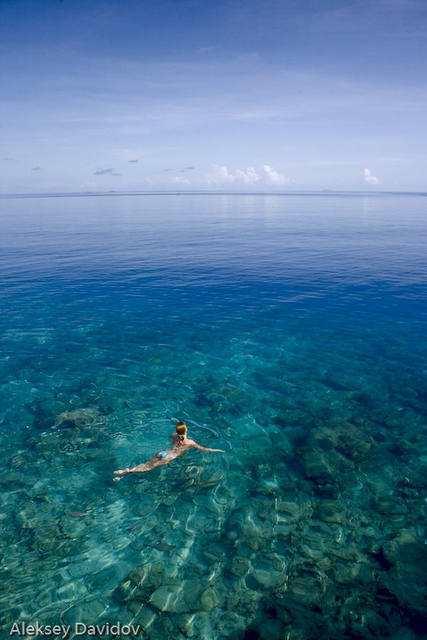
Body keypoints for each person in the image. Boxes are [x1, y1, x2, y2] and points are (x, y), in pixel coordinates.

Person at [113, 421, 224, 481]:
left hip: (163, 452)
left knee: (145, 465)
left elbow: (170, 435)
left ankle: (122, 475)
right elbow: (203, 449)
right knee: (147, 468)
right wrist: (215, 449)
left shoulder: (174, 436)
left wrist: (176, 433)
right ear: (186, 431)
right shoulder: (190, 442)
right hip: (169, 457)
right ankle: (126, 470)